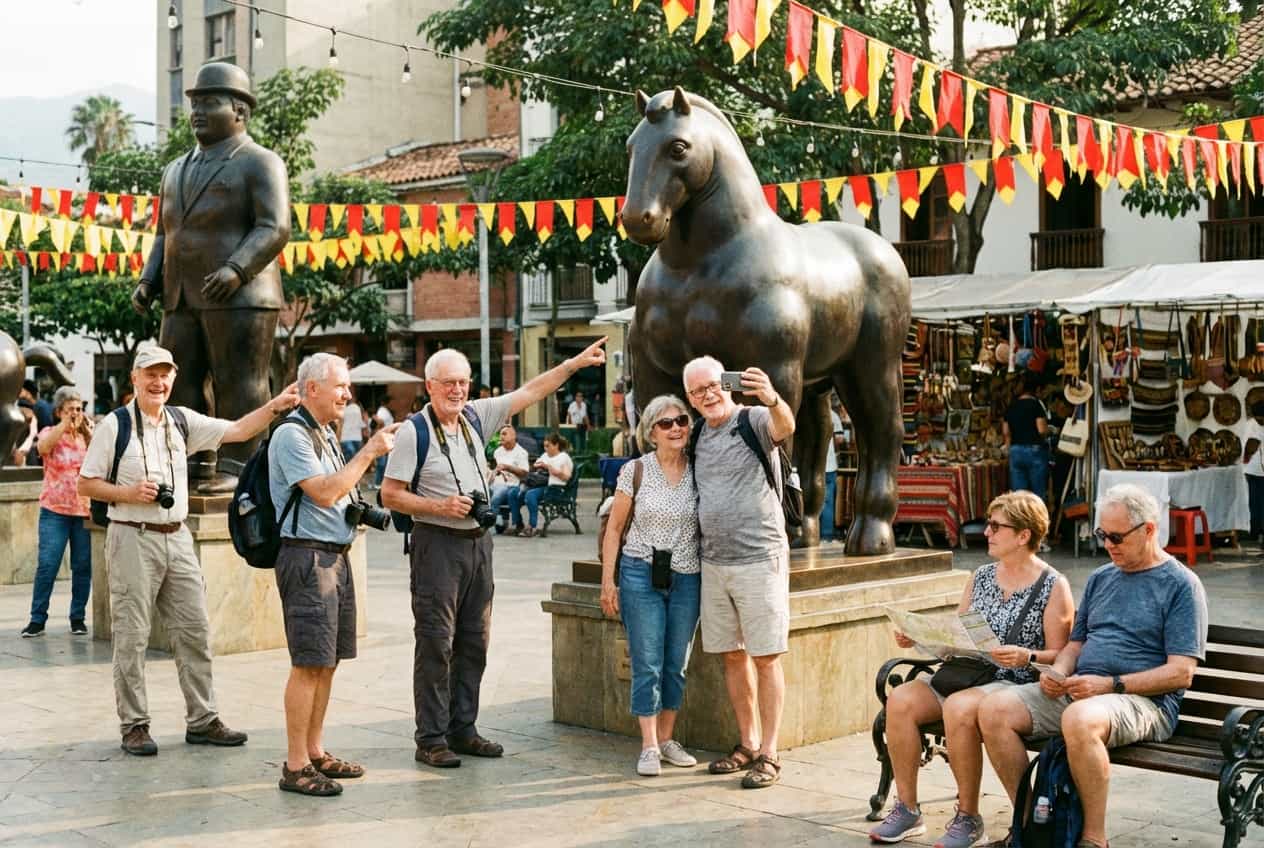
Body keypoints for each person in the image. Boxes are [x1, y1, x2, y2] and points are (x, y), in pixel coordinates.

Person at [380, 338, 607, 768]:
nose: (458, 390)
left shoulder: (473, 417)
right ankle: (430, 738)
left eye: (464, 382)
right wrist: (438, 506)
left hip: (478, 545)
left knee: (474, 642)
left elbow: (529, 391)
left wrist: (573, 364)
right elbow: (390, 495)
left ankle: (463, 729)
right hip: (437, 545)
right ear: (430, 386)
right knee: (435, 643)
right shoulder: (414, 431)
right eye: (449, 383)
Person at [77, 345, 300, 757]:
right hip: (131, 535)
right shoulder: (116, 425)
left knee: (195, 631)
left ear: (174, 378)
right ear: (135, 378)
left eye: (165, 374)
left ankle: (202, 719)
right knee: (132, 636)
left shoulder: (181, 421)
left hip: (177, 536)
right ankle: (135, 725)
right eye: (150, 374)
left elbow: (236, 430)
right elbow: (86, 483)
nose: (158, 382)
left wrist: (275, 405)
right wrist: (128, 493)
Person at [976, 484, 1208, 848]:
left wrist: (1110, 685)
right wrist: (1060, 672)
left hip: (1145, 701)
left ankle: (1092, 839)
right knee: (993, 710)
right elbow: (1075, 644)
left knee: (1079, 719)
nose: (1108, 545)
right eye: (1103, 535)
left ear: (1149, 530)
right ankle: (1031, 827)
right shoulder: (1103, 578)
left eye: (1116, 537)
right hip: (1085, 690)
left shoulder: (1181, 584)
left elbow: (1181, 672)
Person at [869, 491, 1075, 846]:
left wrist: (1025, 655)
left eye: (996, 526)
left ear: (1024, 535)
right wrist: (921, 639)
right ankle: (907, 809)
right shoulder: (980, 576)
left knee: (959, 706)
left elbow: (1060, 653)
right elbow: (961, 632)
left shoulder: (1053, 585)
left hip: (1012, 681)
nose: (987, 532)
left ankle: (968, 817)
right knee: (901, 699)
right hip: (967, 670)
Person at [130, 62, 291, 495]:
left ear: (240, 110)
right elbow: (167, 232)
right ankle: (192, 461)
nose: (198, 111)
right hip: (181, 296)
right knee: (178, 383)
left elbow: (275, 227)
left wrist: (237, 268)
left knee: (238, 383)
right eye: (195, 103)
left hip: (243, 295)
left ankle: (241, 466)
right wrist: (149, 280)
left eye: (210, 102)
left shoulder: (261, 162)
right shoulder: (174, 169)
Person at [268, 353, 401, 797]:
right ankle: (294, 765)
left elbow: (338, 492)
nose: (348, 394)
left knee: (327, 662)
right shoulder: (291, 434)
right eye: (341, 386)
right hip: (307, 559)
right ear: (311, 389)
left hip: (334, 556)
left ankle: (315, 751)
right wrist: (369, 451)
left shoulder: (322, 432)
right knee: (308, 663)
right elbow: (325, 493)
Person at [682, 355, 794, 789]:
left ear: (725, 383)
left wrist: (771, 396)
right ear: (690, 399)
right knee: (732, 654)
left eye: (712, 385)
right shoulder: (696, 436)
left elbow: (785, 427)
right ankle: (746, 743)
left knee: (766, 656)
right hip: (714, 562)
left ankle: (770, 751)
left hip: (759, 557)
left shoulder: (754, 419)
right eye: (697, 391)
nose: (707, 395)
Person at [600, 395, 701, 777]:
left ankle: (667, 737)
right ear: (651, 432)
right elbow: (614, 529)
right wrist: (608, 581)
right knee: (647, 662)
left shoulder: (698, 469)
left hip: (687, 575)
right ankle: (648, 745)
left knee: (677, 663)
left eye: (682, 421)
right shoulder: (635, 471)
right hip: (641, 572)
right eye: (665, 423)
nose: (676, 428)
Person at [21, 387, 96, 638]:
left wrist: (86, 432)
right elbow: (42, 448)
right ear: (59, 411)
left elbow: (102, 459)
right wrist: (64, 425)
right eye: (70, 409)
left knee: (82, 567)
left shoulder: (89, 435)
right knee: (48, 566)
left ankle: (78, 618)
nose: (75, 413)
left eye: (78, 409)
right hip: (54, 510)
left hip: (83, 512)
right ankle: (37, 619)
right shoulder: (49, 432)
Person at [506, 433, 573, 538]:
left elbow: (566, 477)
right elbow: (536, 466)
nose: (545, 449)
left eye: (548, 446)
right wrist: (538, 466)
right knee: (513, 493)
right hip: (538, 484)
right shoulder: (545, 455)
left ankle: (532, 526)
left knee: (530, 495)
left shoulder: (563, 457)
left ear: (556, 445)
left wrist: (548, 467)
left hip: (554, 488)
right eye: (544, 446)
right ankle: (518, 524)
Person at [1003, 372, 1050, 501]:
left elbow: (1006, 432)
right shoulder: (1036, 405)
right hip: (1034, 450)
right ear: (1037, 390)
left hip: (1016, 450)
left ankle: (1020, 520)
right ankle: (1038, 520)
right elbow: (1041, 430)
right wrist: (1048, 431)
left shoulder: (1012, 406)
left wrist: (1008, 449)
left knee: (1018, 496)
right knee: (1037, 494)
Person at [489, 425, 529, 534]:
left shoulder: (521, 452)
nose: (501, 436)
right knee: (481, 492)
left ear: (513, 436)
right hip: (498, 483)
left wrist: (508, 467)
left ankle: (489, 526)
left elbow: (524, 473)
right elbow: (497, 469)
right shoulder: (497, 452)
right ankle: (498, 522)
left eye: (504, 434)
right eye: (500, 434)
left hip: (513, 485)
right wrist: (492, 474)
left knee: (496, 497)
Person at [819, 398, 844, 542]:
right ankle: (826, 534)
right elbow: (840, 439)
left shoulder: (809, 413)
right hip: (829, 465)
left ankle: (812, 532)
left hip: (813, 465)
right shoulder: (833, 415)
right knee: (828, 502)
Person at [1242, 400, 1264, 545]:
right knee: (1256, 502)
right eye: (1258, 418)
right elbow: (1250, 445)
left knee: (1258, 502)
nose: (1259, 420)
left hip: (1257, 468)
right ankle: (1257, 531)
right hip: (1253, 470)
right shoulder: (1251, 425)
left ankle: (1259, 531)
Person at [373, 402, 394, 488]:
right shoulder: (382, 411)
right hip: (382, 439)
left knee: (384, 463)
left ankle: (381, 483)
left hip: (388, 439)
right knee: (381, 463)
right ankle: (378, 482)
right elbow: (379, 422)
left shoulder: (384, 411)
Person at [339, 394, 364, 462]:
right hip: (357, 437)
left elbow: (340, 423)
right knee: (357, 461)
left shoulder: (344, 409)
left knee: (348, 462)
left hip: (345, 437)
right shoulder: (359, 409)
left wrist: (338, 437)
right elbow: (362, 422)